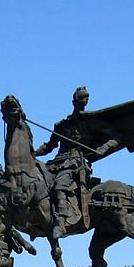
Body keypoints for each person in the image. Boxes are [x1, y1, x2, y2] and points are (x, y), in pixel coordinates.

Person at [34, 87, 118, 238]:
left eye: (86, 98)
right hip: (55, 163)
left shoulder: (91, 122)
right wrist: (32, 152)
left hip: (74, 163)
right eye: (81, 98)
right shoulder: (62, 125)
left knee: (60, 186)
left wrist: (103, 148)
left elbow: (114, 137)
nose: (84, 101)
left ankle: (60, 222)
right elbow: (49, 146)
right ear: (74, 101)